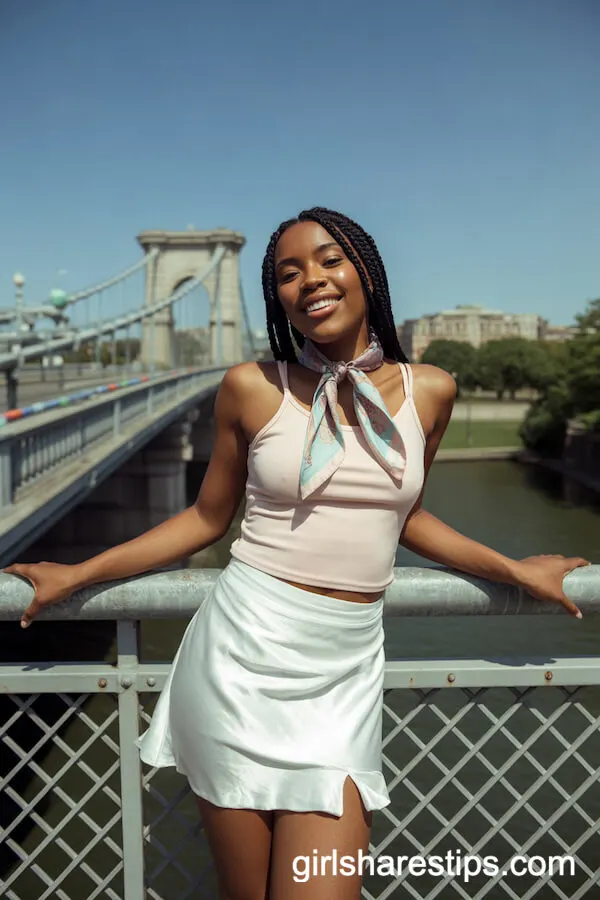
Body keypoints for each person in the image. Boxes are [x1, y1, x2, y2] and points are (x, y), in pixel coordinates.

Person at [3, 207, 589, 900]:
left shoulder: (432, 390)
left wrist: (516, 570)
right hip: (238, 665)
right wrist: (78, 574)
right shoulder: (252, 387)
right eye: (289, 272)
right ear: (277, 296)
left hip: (343, 676)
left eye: (330, 259)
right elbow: (205, 519)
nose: (311, 279)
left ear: (366, 271)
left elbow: (407, 517)